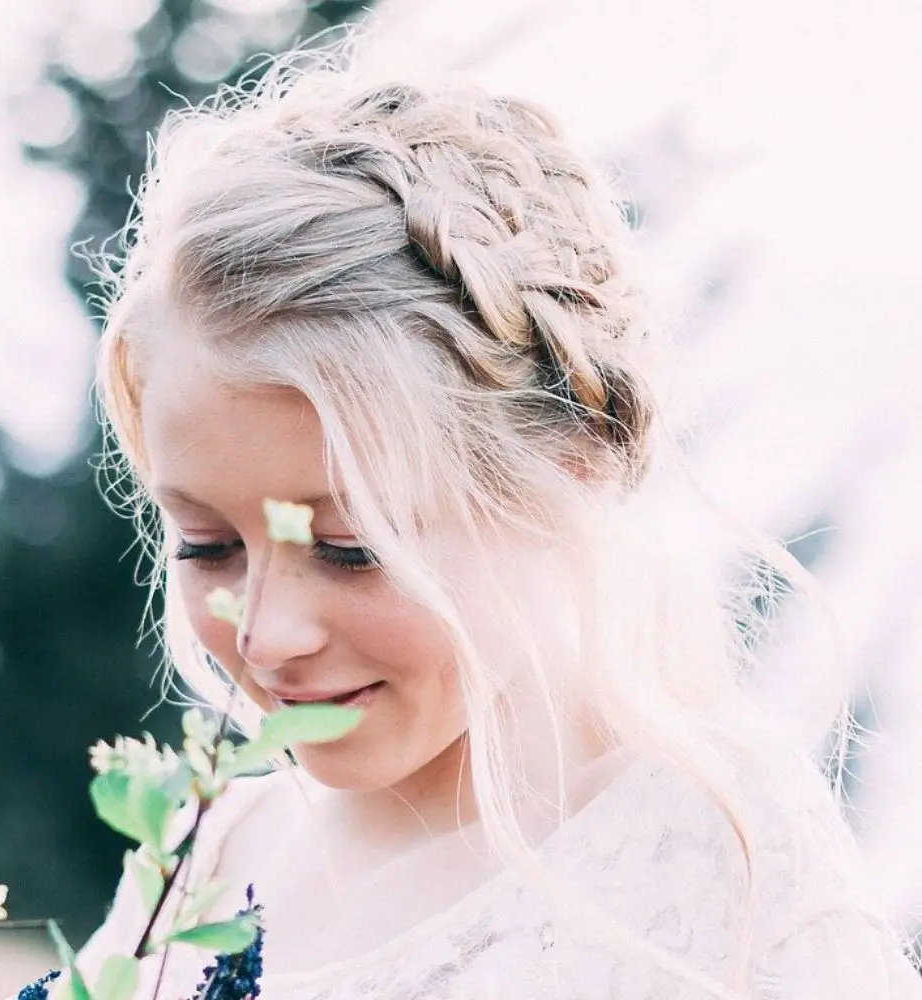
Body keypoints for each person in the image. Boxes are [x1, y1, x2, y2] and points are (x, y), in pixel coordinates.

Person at [71, 38, 922, 1000]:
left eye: (352, 550)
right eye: (207, 545)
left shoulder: (720, 888)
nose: (265, 634)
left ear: (567, 480)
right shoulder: (210, 850)